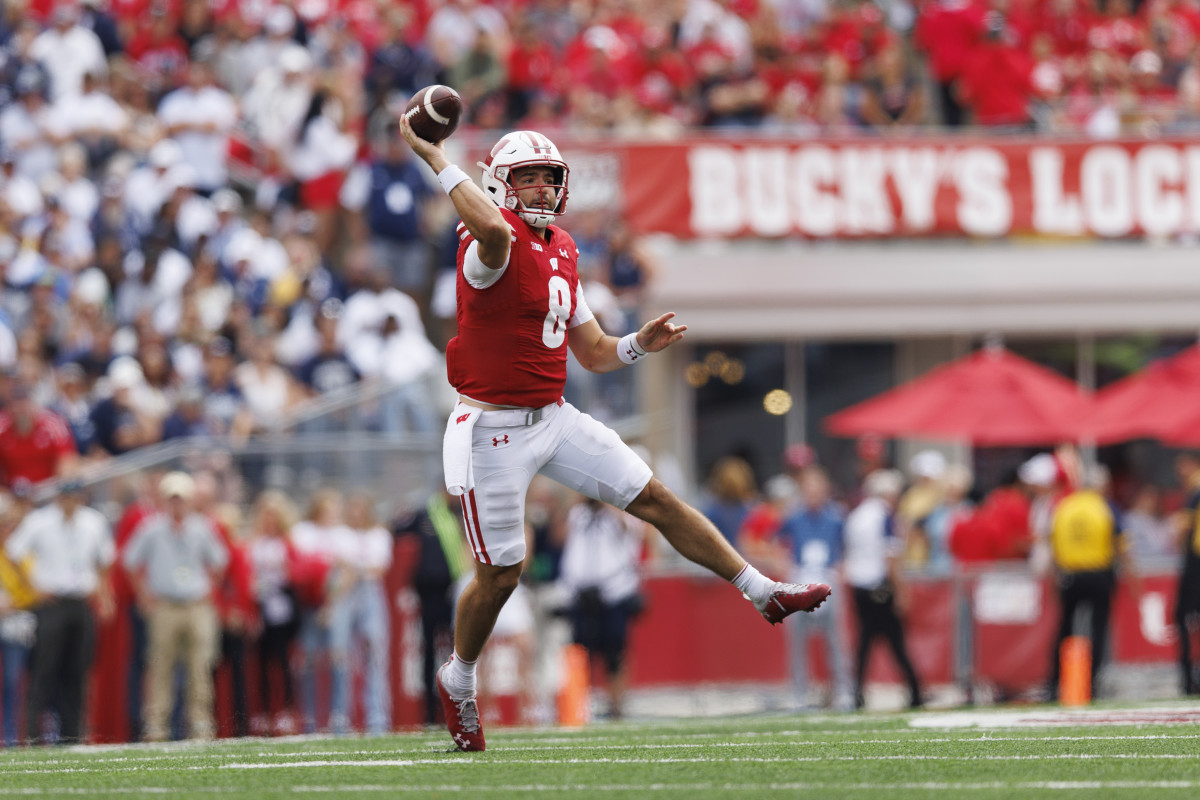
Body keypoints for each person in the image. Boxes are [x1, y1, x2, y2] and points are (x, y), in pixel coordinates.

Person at [399, 120, 831, 752]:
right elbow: (493, 229)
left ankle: (762, 591)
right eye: (528, 177)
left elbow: (595, 352)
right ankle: (459, 678)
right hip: (489, 426)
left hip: (551, 415)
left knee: (654, 497)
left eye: (550, 177)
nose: (543, 187)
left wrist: (639, 346)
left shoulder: (564, 248)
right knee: (502, 575)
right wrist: (437, 157)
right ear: (497, 183)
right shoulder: (484, 240)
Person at [4, 479, 115, 744]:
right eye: (65, 496)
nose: (69, 501)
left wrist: (103, 594)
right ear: (58, 498)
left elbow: (105, 559)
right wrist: (34, 588)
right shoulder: (40, 521)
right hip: (51, 604)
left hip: (80, 602)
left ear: (81, 497)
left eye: (74, 496)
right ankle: (32, 735)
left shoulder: (93, 521)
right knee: (44, 669)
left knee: (78, 670)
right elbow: (13, 551)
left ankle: (72, 735)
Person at [122, 472, 229, 742]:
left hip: (195, 605)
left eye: (181, 499)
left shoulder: (202, 527)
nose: (177, 504)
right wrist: (144, 596)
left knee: (200, 666)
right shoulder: (152, 528)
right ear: (165, 500)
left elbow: (220, 561)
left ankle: (201, 725)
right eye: (173, 499)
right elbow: (129, 561)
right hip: (165, 605)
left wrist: (209, 590)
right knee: (161, 667)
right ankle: (157, 726)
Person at [559, 495, 654, 719]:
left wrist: (607, 504)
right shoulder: (578, 514)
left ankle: (617, 705)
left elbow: (635, 532)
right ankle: (583, 704)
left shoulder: (620, 513)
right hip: (581, 594)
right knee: (583, 652)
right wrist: (575, 502)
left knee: (616, 652)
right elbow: (559, 537)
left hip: (614, 592)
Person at [1045, 464, 1134, 701]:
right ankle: (1092, 682)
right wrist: (1133, 576)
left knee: (1065, 628)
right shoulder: (1106, 507)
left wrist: (1055, 575)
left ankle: (1056, 681)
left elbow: (1052, 544)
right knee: (1098, 628)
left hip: (1070, 574)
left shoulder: (1064, 507)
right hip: (1099, 573)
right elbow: (1121, 544)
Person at [392, 488, 473, 726]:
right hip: (429, 594)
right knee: (429, 652)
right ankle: (430, 713)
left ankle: (455, 708)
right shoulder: (425, 514)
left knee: (454, 654)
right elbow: (398, 529)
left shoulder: (463, 515)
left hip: (454, 593)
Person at [843, 469, 922, 710]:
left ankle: (857, 692)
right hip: (880, 586)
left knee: (865, 642)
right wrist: (900, 590)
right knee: (895, 641)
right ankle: (915, 690)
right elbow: (891, 556)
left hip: (859, 586)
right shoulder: (884, 516)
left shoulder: (856, 516)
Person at [777, 466, 852, 711]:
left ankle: (842, 690)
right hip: (801, 578)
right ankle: (798, 691)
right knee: (797, 640)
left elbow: (846, 546)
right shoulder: (793, 516)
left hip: (827, 578)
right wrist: (785, 566)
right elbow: (773, 541)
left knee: (835, 639)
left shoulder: (836, 517)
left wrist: (841, 568)